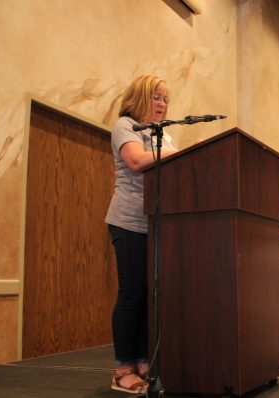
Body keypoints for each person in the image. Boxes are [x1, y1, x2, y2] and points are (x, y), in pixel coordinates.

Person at [105, 75, 179, 393]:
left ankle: (142, 358)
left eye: (165, 99)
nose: (162, 104)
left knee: (150, 298)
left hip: (156, 225)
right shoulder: (126, 125)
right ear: (140, 98)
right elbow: (136, 161)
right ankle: (123, 369)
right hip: (128, 221)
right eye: (156, 97)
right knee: (131, 295)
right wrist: (177, 154)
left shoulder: (165, 136)